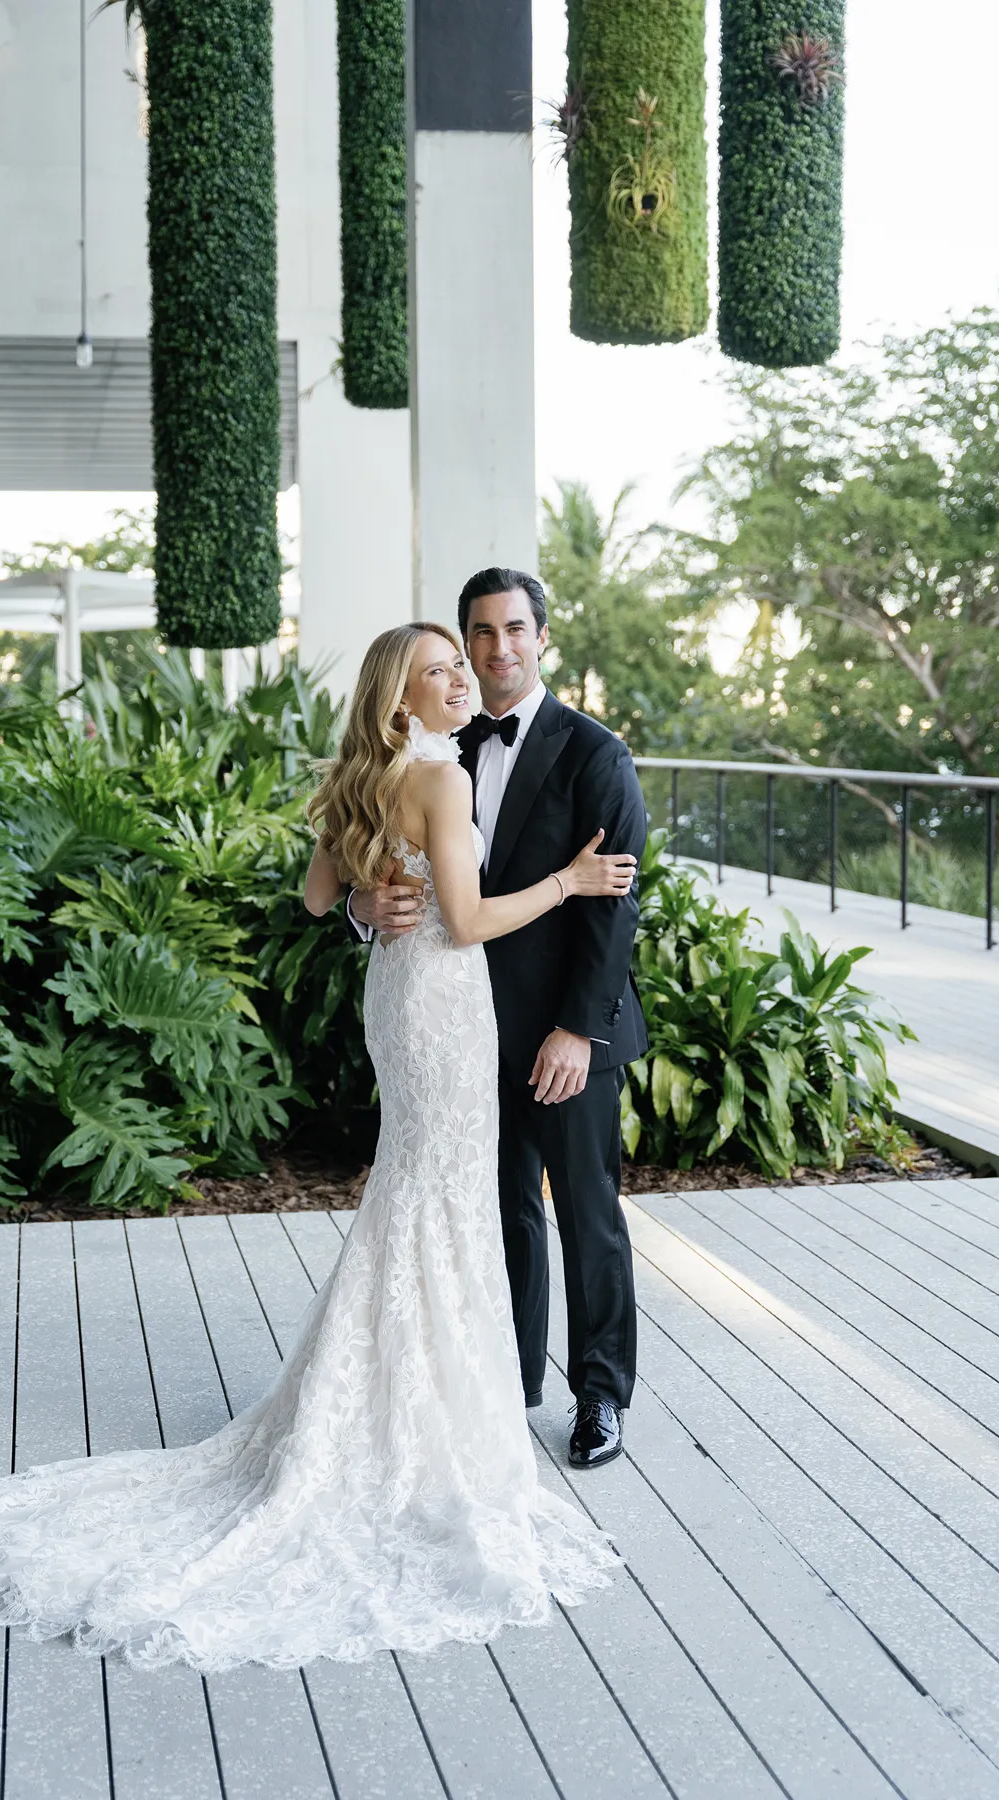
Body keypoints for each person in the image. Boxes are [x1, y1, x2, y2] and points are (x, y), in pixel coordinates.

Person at [0, 619, 634, 1672]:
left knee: (421, 1195)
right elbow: (464, 923)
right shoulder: (440, 779)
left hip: (399, 1002)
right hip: (446, 1004)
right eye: (442, 668)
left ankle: (416, 1391)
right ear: (400, 697)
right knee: (443, 1197)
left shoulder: (364, 775)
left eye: (463, 664)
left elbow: (319, 895)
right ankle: (430, 1413)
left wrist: (376, 901)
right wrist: (567, 883)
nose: (464, 676)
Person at [348, 569, 647, 1470]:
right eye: (480, 634)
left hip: (563, 1033)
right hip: (466, 1030)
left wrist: (578, 1031)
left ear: (542, 638)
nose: (496, 649)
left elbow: (613, 907)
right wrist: (368, 907)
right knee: (503, 1212)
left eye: (514, 629)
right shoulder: (441, 744)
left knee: (587, 1214)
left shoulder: (597, 753)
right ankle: (506, 1387)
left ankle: (599, 1397)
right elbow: (376, 859)